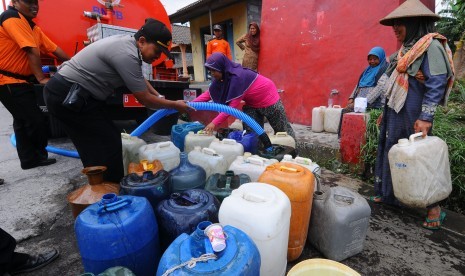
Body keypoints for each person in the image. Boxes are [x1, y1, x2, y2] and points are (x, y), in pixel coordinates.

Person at [44, 19, 192, 183]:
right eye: (157, 50)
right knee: (104, 145)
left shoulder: (128, 46)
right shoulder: (126, 54)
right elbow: (144, 99)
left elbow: (139, 78)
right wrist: (175, 105)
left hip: (76, 95)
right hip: (68, 95)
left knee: (101, 144)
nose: (158, 56)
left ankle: (102, 186)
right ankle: (111, 190)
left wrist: (159, 96)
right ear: (142, 41)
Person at [372, 0, 454, 230]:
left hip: (416, 111)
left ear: (414, 22)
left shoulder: (431, 46)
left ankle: (433, 207)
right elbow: (391, 76)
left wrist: (426, 116)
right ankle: (390, 194)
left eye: (400, 23)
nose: (395, 28)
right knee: (393, 150)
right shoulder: (404, 51)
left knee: (421, 157)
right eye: (394, 24)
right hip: (396, 109)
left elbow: (437, 81)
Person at [0, 0, 70, 170]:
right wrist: (40, 78)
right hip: (8, 81)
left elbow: (53, 49)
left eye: (36, 2)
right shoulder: (12, 18)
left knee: (22, 121)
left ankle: (29, 160)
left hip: (20, 82)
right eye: (29, 2)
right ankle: (36, 157)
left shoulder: (32, 27)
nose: (35, 6)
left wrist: (74, 62)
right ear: (15, 2)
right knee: (34, 119)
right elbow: (31, 49)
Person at [193, 52, 295, 139]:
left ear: (222, 67)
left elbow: (230, 108)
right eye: (210, 71)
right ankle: (258, 155)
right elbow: (209, 94)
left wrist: (214, 123)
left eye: (214, 70)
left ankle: (293, 155)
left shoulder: (237, 78)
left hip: (269, 99)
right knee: (251, 135)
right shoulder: (222, 79)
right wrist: (190, 104)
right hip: (252, 103)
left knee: (283, 132)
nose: (212, 74)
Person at [338, 46, 389, 136]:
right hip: (359, 102)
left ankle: (345, 136)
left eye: (375, 59)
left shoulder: (384, 70)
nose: (372, 61)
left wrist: (363, 103)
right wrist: (352, 97)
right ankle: (343, 137)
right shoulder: (367, 70)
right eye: (370, 59)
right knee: (346, 111)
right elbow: (359, 84)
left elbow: (380, 88)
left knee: (346, 111)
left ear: (380, 58)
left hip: (374, 103)